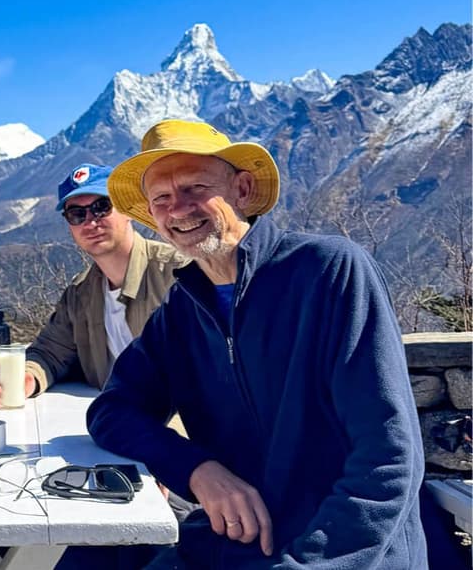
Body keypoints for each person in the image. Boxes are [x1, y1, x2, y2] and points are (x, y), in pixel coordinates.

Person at [87, 119, 427, 568]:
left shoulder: (328, 272)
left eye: (195, 188)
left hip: (339, 553)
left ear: (243, 190)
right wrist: (197, 470)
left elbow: (388, 459)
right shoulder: (182, 310)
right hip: (230, 544)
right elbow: (112, 411)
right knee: (86, 556)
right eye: (162, 199)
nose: (178, 209)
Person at [0, 163, 187, 408]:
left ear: (127, 210)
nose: (90, 222)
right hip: (116, 417)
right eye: (77, 214)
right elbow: (50, 352)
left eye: (101, 207)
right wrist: (28, 379)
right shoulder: (80, 295)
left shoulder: (179, 275)